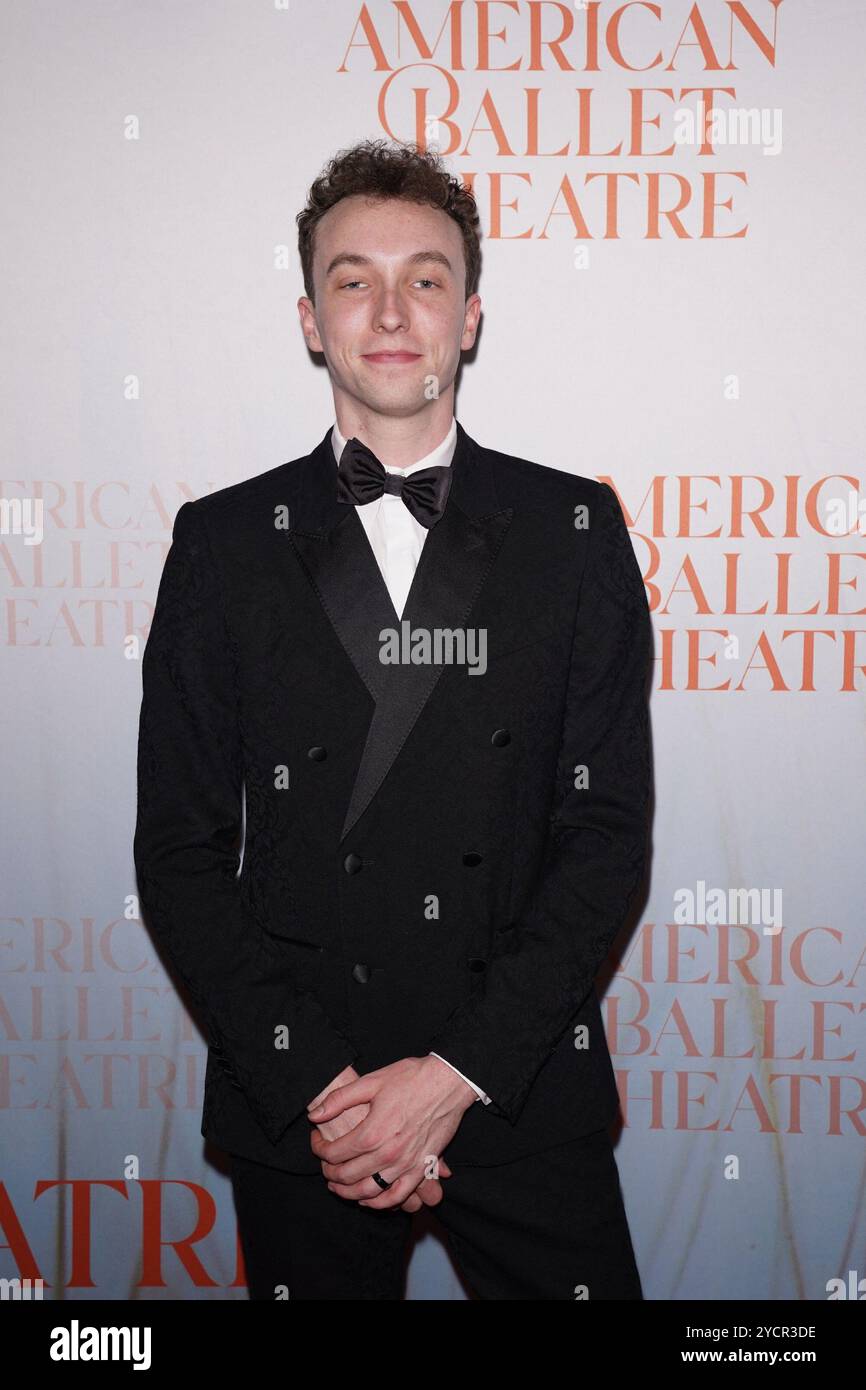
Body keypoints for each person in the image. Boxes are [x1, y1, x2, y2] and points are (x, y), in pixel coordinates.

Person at [133, 137, 652, 1300]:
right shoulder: (220, 544)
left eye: (424, 277)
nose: (388, 309)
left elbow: (602, 835)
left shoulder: (574, 531)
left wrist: (450, 1077)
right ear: (311, 319)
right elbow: (179, 853)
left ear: (467, 316)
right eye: (351, 278)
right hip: (305, 1109)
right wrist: (335, 1095)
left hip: (517, 1091)